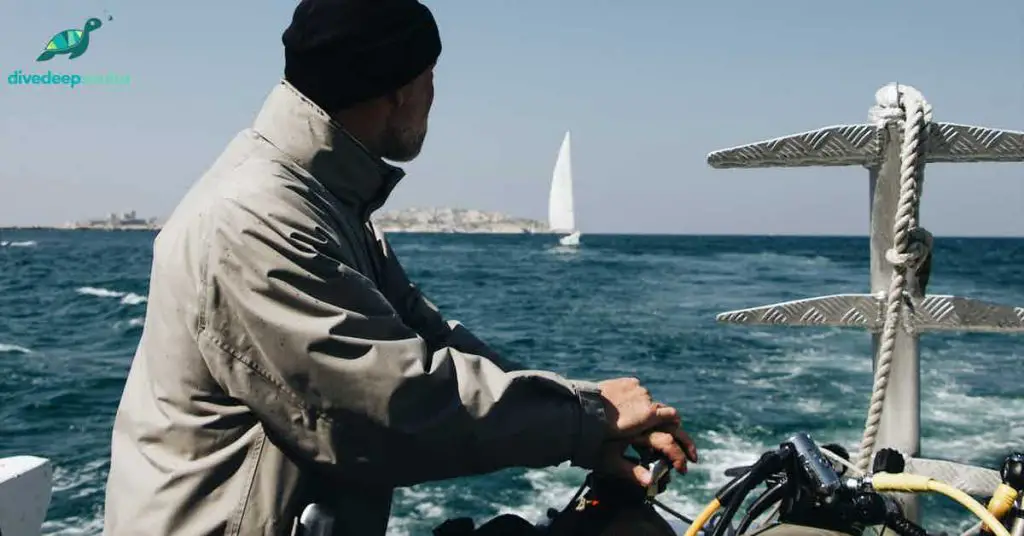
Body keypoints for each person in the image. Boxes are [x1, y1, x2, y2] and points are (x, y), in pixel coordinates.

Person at [102, 0, 698, 534]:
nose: (434, 99)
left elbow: (435, 343)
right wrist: (588, 417)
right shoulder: (254, 219)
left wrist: (594, 420)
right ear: (396, 91)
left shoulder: (325, 205)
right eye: (430, 80)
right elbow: (387, 407)